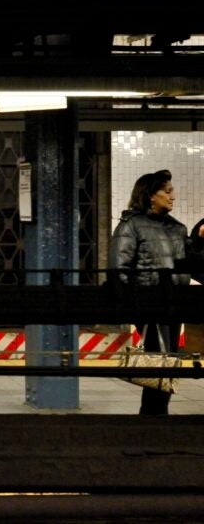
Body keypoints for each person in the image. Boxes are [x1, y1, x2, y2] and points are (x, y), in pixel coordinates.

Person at [110, 169, 204, 415]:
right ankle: (154, 415)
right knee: (160, 359)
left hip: (173, 305)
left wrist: (200, 237)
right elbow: (119, 268)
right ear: (151, 195)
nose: (173, 197)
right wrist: (133, 303)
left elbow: (192, 263)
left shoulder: (177, 229)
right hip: (148, 306)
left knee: (166, 360)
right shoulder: (131, 226)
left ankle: (154, 415)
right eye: (167, 191)